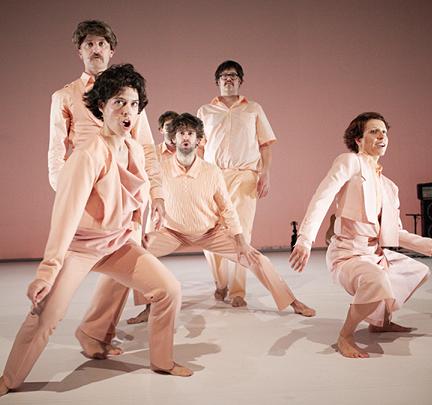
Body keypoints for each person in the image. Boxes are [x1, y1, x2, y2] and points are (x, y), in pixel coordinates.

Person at [0, 65, 192, 398]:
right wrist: (47, 272)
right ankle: (8, 379)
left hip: (117, 244)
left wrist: (139, 230)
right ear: (101, 106)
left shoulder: (133, 149)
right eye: (119, 102)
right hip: (80, 247)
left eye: (134, 104)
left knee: (168, 289)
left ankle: (162, 361)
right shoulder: (87, 155)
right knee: (47, 314)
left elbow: (137, 197)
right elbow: (65, 216)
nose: (128, 111)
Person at [75, 113, 315, 357]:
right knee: (127, 259)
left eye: (191, 133)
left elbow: (227, 208)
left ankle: (291, 301)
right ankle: (106, 326)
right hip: (171, 233)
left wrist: (240, 240)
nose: (186, 137)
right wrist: (141, 231)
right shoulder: (159, 168)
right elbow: (141, 195)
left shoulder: (211, 171)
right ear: (173, 139)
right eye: (181, 133)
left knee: (255, 258)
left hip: (210, 232)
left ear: (199, 139)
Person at [289, 112, 431, 358]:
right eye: (374, 131)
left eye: (384, 132)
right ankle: (345, 336)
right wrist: (305, 239)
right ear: (358, 139)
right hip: (347, 255)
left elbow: (396, 233)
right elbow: (322, 197)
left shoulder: (390, 186)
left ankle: (381, 322)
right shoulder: (350, 162)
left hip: (375, 253)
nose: (382, 136)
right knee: (376, 280)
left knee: (418, 271)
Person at [48, 19, 164, 223]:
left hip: (129, 186)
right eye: (89, 44)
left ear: (111, 51)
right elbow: (56, 152)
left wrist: (157, 193)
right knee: (85, 242)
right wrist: (68, 190)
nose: (96, 49)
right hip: (86, 184)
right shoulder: (64, 96)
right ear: (80, 52)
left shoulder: (130, 95)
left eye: (102, 44)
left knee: (129, 242)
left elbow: (146, 146)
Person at [198, 60, 276, 307]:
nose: (228, 79)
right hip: (213, 176)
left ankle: (238, 291)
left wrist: (265, 174)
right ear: (217, 81)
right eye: (223, 75)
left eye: (233, 75)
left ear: (241, 80)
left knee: (241, 233)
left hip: (244, 176)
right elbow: (198, 148)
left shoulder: (253, 109)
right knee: (209, 232)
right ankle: (220, 282)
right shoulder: (205, 111)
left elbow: (265, 144)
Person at [127, 111, 179, 325]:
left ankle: (225, 288)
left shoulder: (192, 151)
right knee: (143, 255)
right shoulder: (152, 155)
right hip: (160, 216)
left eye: (176, 127)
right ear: (160, 130)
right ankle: (148, 307)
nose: (172, 131)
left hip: (189, 216)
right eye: (168, 127)